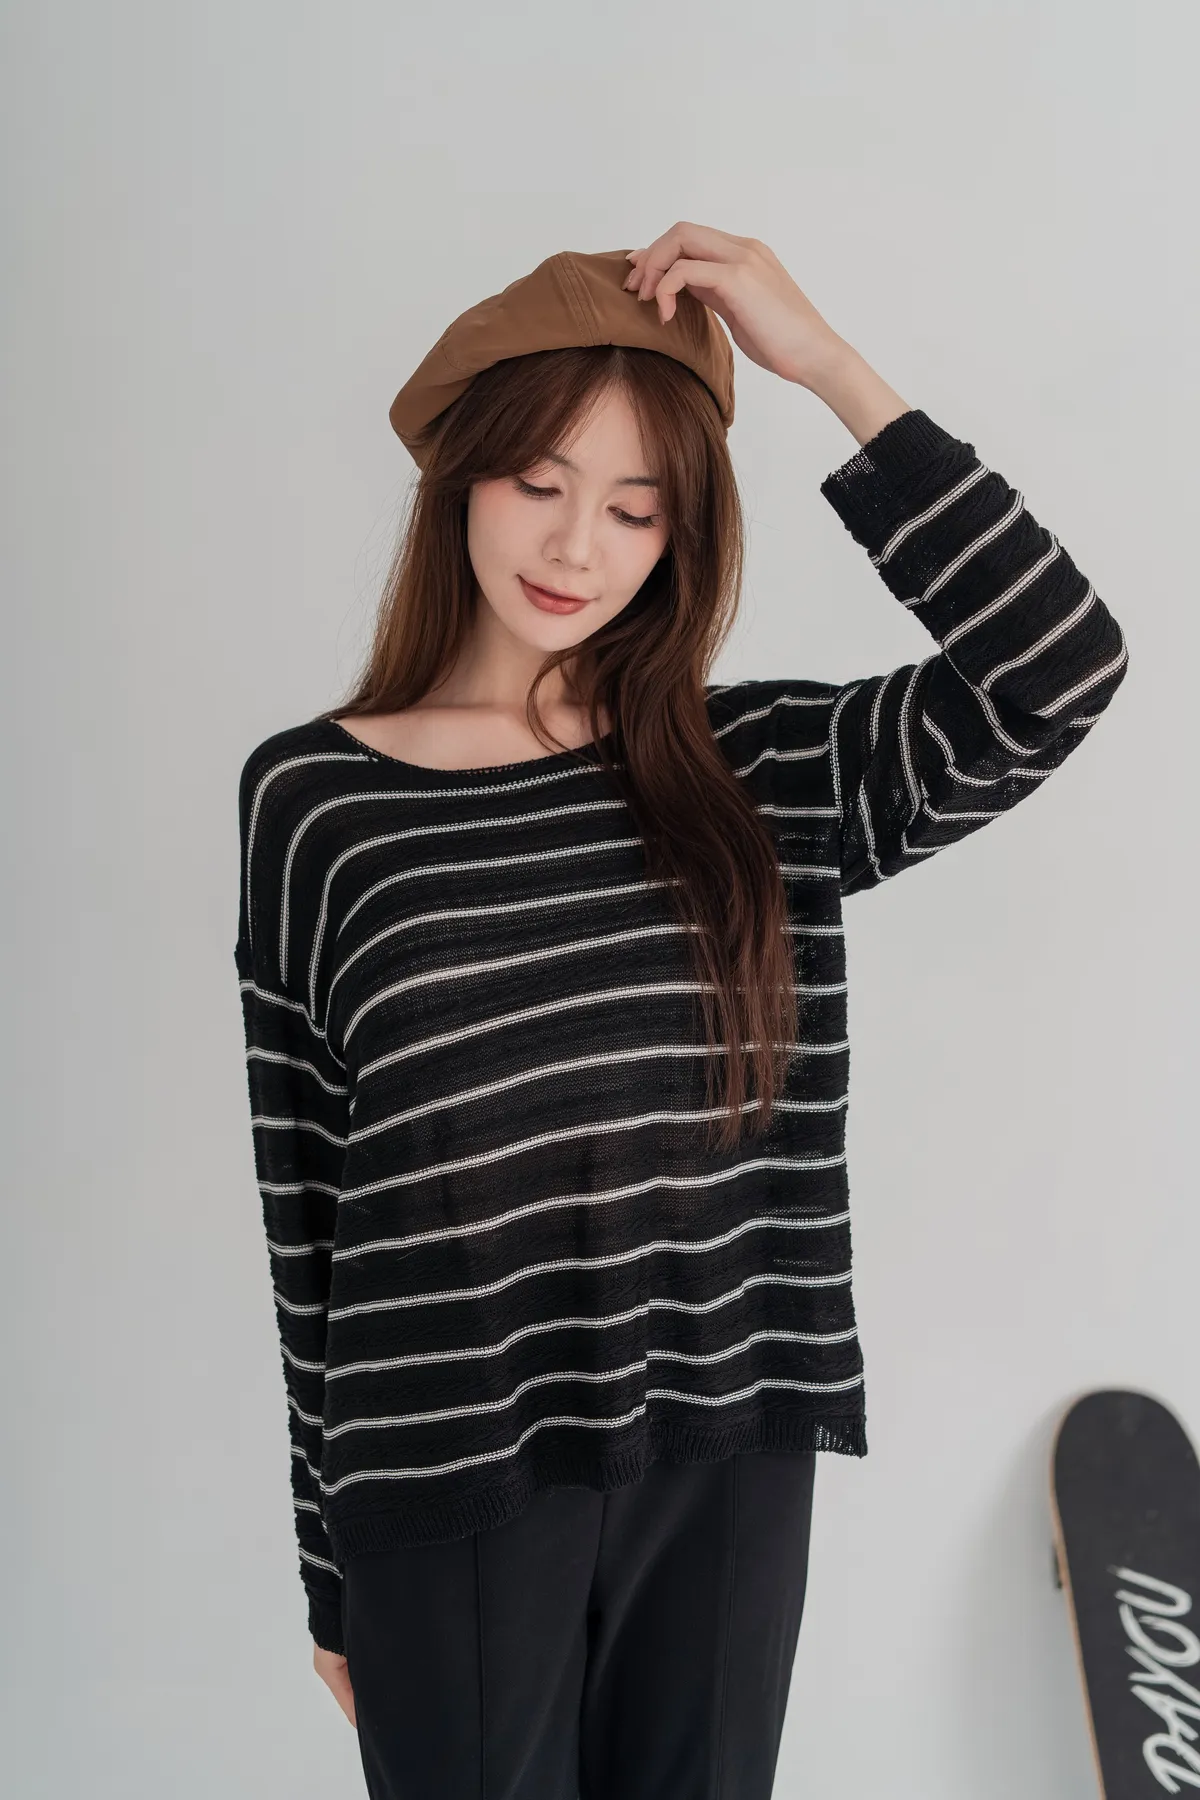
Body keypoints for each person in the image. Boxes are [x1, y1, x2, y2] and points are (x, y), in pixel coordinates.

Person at [233, 223, 1129, 1798]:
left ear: (682, 533)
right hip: (446, 1474)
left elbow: (1055, 667)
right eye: (539, 482)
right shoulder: (317, 802)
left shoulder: (753, 772)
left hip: (727, 1442)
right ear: (460, 476)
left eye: (636, 506)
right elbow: (306, 1201)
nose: (577, 544)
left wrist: (827, 364)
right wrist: (327, 1570)